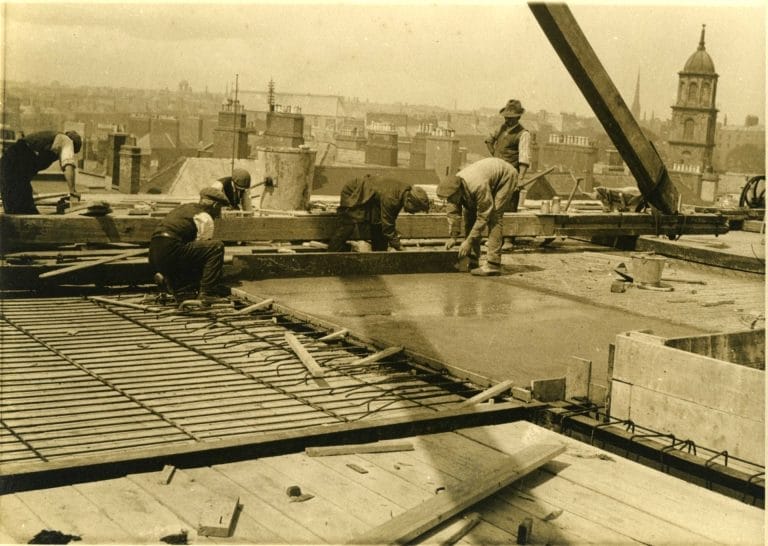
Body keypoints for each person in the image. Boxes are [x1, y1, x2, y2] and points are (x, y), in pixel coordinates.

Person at [436, 157, 518, 276]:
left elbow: (484, 216)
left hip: (505, 176)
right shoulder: (454, 188)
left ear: (459, 191)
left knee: (495, 216)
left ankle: (493, 264)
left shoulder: (478, 186)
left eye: (450, 198)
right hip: (486, 176)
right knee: (469, 214)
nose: (449, 200)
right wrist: (453, 237)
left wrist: (468, 241)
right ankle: (473, 259)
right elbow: (453, 213)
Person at [149, 187, 231, 304]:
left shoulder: (185, 208)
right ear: (215, 205)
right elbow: (202, 250)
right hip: (172, 249)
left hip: (154, 252)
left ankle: (169, 281)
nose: (220, 213)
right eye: (220, 208)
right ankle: (206, 293)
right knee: (216, 247)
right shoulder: (205, 217)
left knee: (185, 250)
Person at [328, 175, 430, 252]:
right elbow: (388, 226)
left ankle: (379, 254)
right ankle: (331, 254)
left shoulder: (402, 193)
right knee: (348, 224)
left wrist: (393, 240)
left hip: (370, 196)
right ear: (409, 200)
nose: (414, 212)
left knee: (378, 226)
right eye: (415, 209)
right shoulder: (392, 198)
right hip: (353, 191)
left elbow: (387, 223)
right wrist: (400, 247)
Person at [485, 99, 531, 250]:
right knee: (493, 204)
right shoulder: (501, 128)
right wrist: (495, 156)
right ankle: (494, 238)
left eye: (510, 118)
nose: (507, 120)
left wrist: (520, 178)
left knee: (510, 206)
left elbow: (524, 159)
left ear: (518, 117)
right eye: (506, 117)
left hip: (511, 175)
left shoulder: (523, 134)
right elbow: (488, 140)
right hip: (497, 172)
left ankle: (509, 240)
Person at [0, 130, 82, 214]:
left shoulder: (52, 140)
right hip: (15, 162)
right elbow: (68, 166)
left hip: (8, 160)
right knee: (26, 211)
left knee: (13, 207)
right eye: (72, 151)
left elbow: (26, 168)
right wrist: (73, 191)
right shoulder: (66, 140)